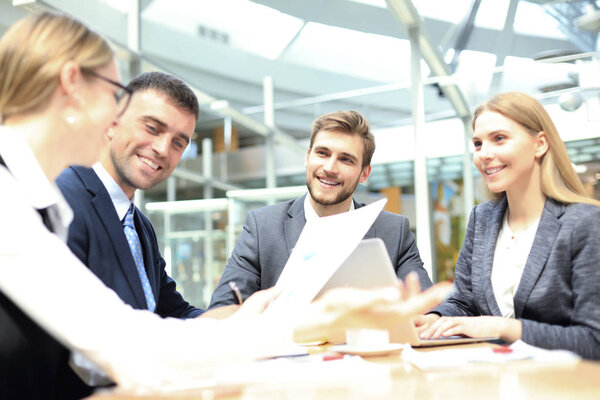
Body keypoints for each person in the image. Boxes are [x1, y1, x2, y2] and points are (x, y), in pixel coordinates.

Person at [0, 12, 451, 398]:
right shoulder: (13, 201)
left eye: (179, 140)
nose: (114, 114)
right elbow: (124, 343)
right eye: (114, 93)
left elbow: (137, 328)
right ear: (72, 85)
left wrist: (248, 324)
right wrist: (315, 318)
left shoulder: (27, 197)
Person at [417, 92, 600, 360]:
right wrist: (433, 318)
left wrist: (503, 327)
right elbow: (463, 301)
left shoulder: (584, 223)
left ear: (540, 144)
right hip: (496, 379)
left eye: (499, 139)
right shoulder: (482, 218)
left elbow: (593, 340)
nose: (484, 154)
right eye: (478, 144)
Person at [209, 110, 432, 309]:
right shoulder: (263, 227)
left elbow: (426, 307)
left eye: (346, 159)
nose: (329, 168)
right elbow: (222, 308)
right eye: (323, 153)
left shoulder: (393, 231)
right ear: (307, 157)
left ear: (364, 174)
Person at [56, 72, 203, 320]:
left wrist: (241, 323)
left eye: (178, 143)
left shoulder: (138, 226)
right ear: (112, 123)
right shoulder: (62, 199)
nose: (163, 149)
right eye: (152, 128)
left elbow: (173, 311)